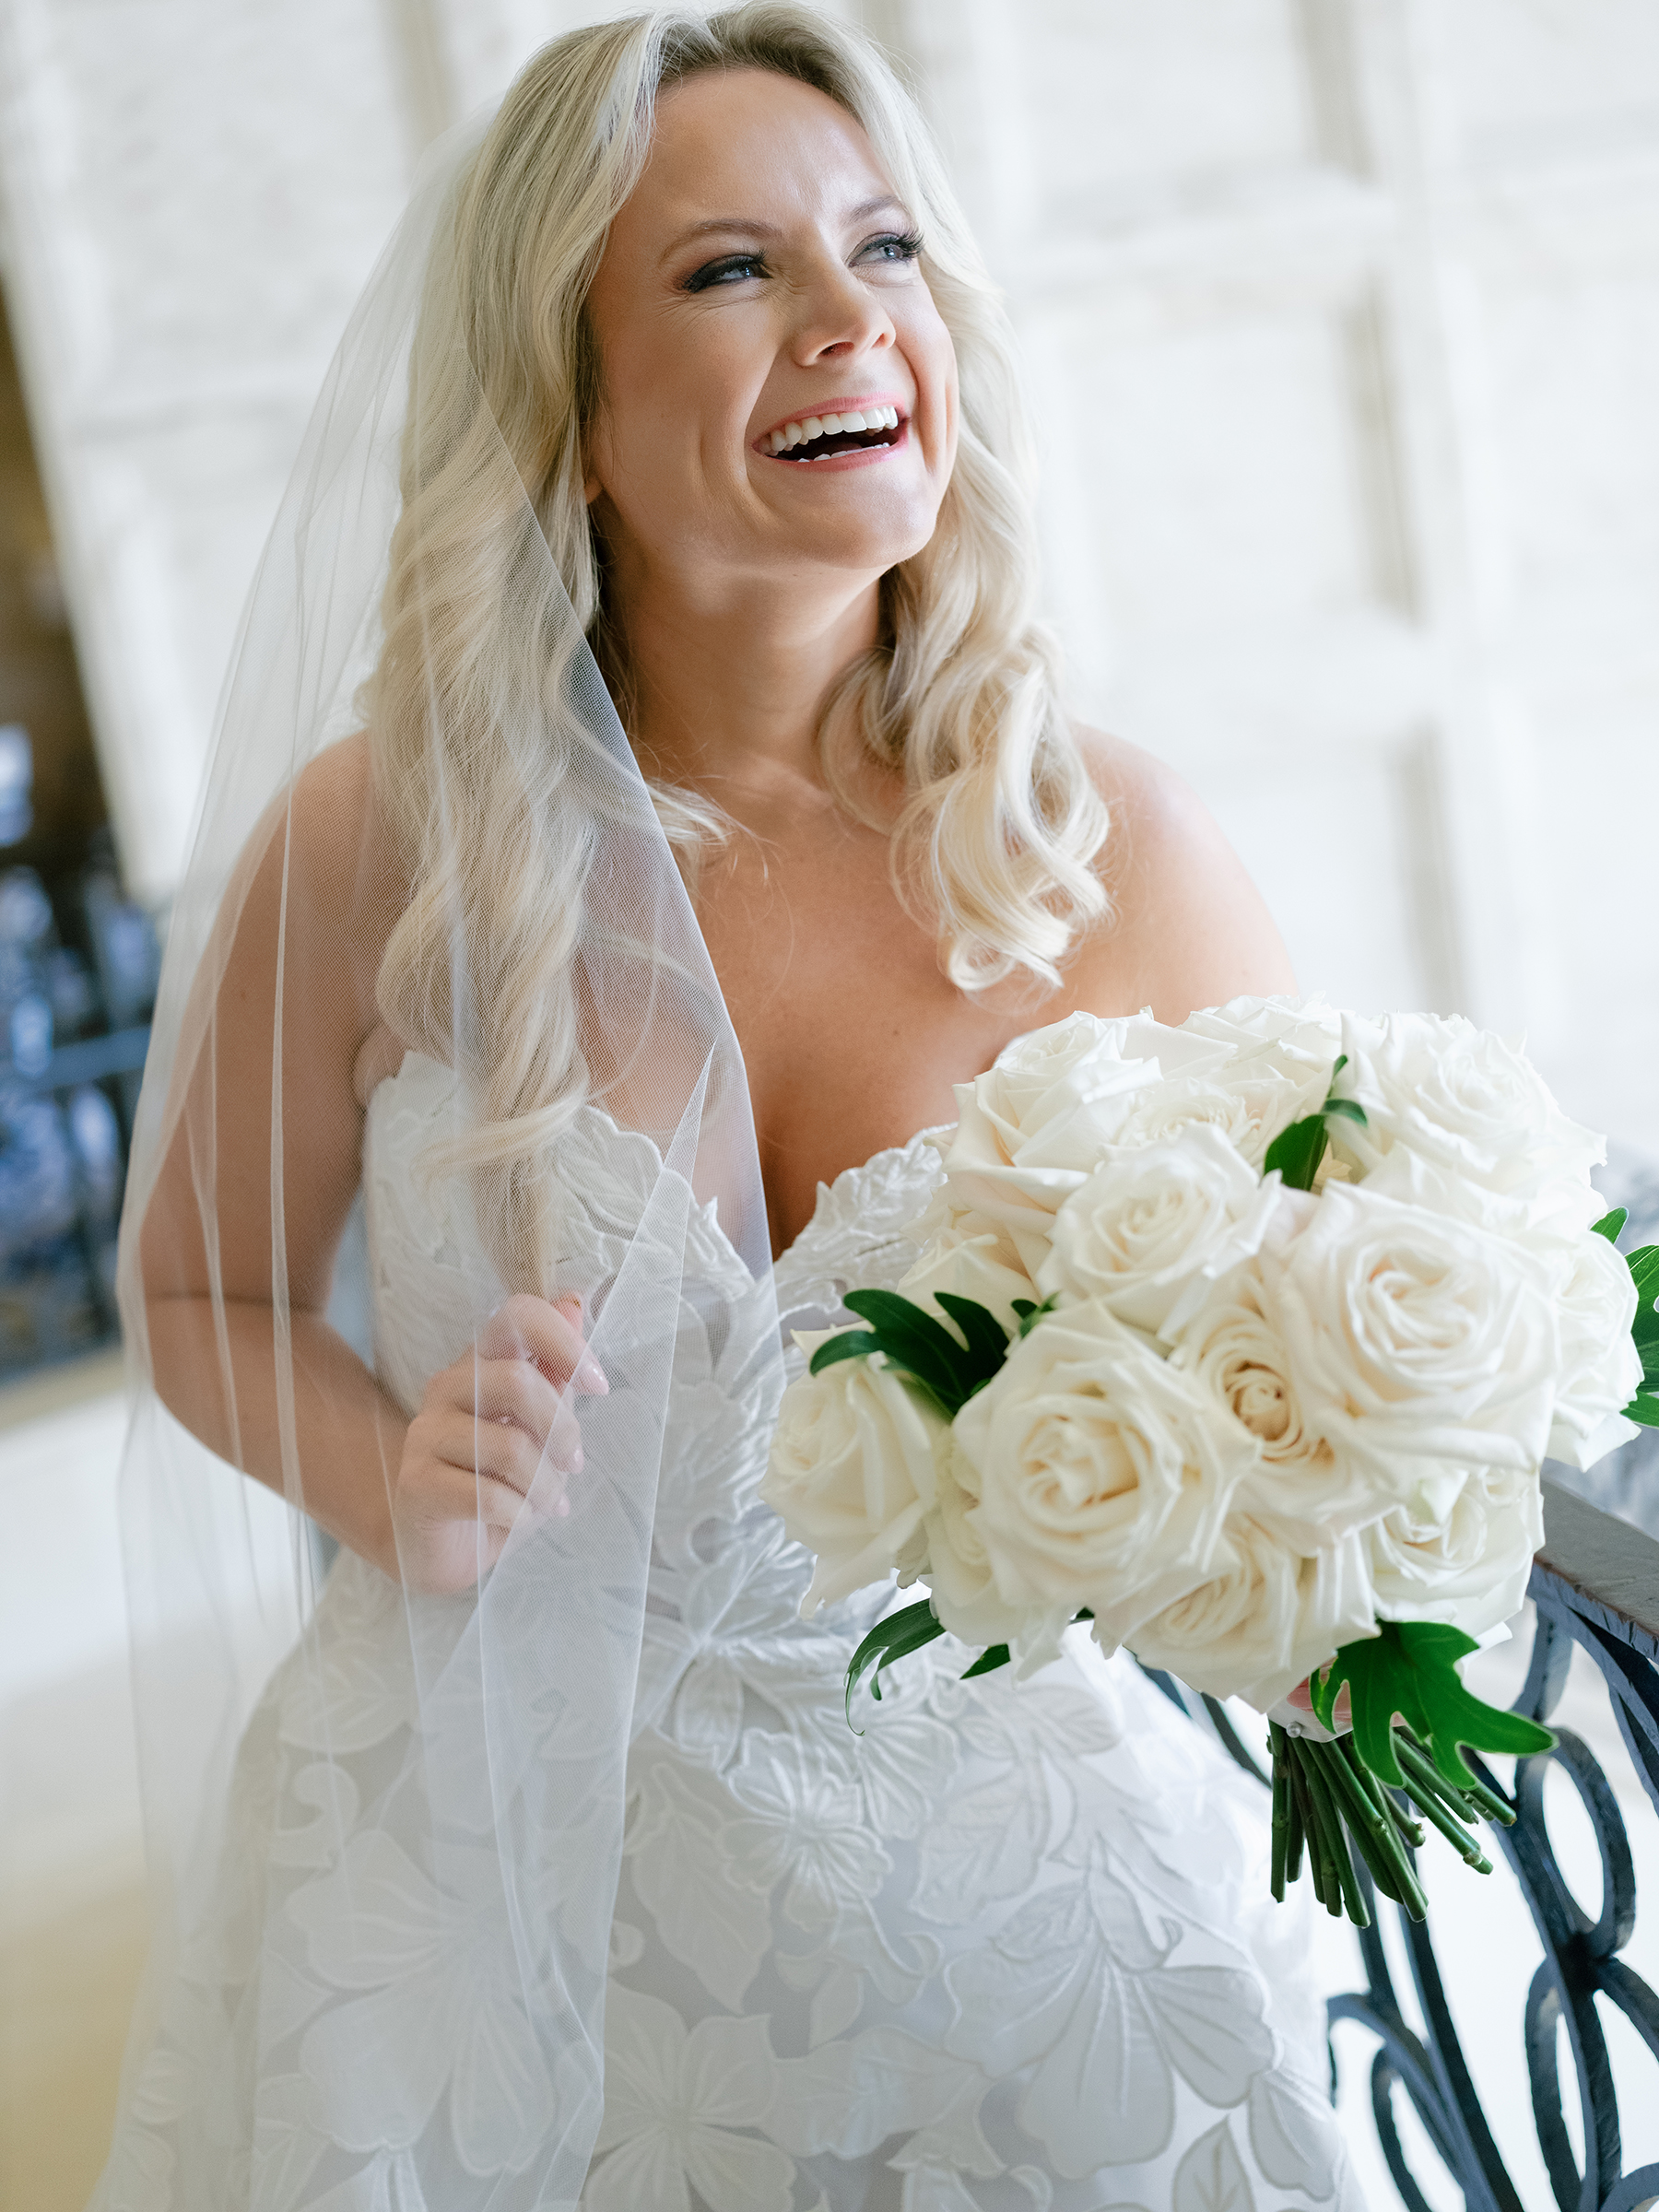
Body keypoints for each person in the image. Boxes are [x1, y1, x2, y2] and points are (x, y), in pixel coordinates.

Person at [99, 9, 1360, 2206]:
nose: (849, 315)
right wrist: (388, 1475)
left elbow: (1313, 1379)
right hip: (481, 1922)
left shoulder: (1107, 853)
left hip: (1004, 1930)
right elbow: (198, 1285)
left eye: (882, 248)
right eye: (729, 270)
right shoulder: (384, 848)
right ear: (564, 411)